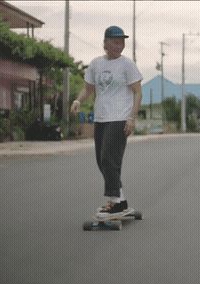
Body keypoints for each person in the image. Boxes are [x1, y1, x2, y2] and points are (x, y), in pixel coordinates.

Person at [70, 25, 143, 218]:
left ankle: (115, 203)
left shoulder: (127, 65)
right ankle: (121, 200)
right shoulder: (96, 64)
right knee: (101, 161)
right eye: (116, 42)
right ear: (105, 43)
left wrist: (132, 118)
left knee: (109, 159)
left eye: (122, 42)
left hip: (120, 118)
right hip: (101, 118)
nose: (120, 46)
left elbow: (137, 92)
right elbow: (88, 89)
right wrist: (78, 100)